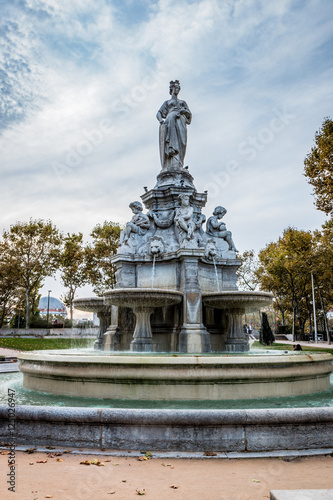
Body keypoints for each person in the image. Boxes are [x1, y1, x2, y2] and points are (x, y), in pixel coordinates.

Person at [156, 80, 192, 170]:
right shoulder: (167, 102)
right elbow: (158, 113)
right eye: (176, 88)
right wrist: (161, 121)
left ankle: (179, 164)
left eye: (178, 88)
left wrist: (183, 111)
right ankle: (170, 165)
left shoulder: (182, 102)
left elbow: (189, 115)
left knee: (181, 143)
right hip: (170, 123)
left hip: (180, 123)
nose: (177, 90)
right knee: (171, 142)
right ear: (171, 89)